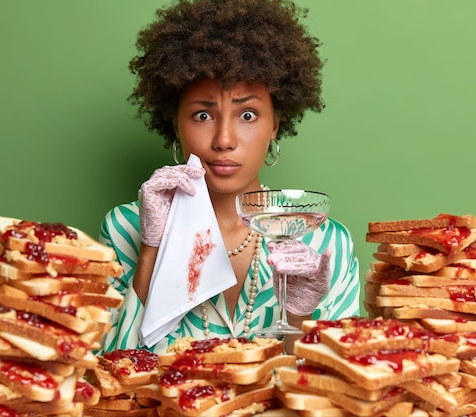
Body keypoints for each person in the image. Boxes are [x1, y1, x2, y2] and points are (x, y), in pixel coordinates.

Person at [98, 0, 360, 354]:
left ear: (275, 126)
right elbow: (107, 379)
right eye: (203, 116)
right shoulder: (125, 228)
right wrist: (151, 252)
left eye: (247, 115)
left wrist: (300, 318)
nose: (224, 140)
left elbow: (338, 389)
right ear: (175, 124)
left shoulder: (326, 243)